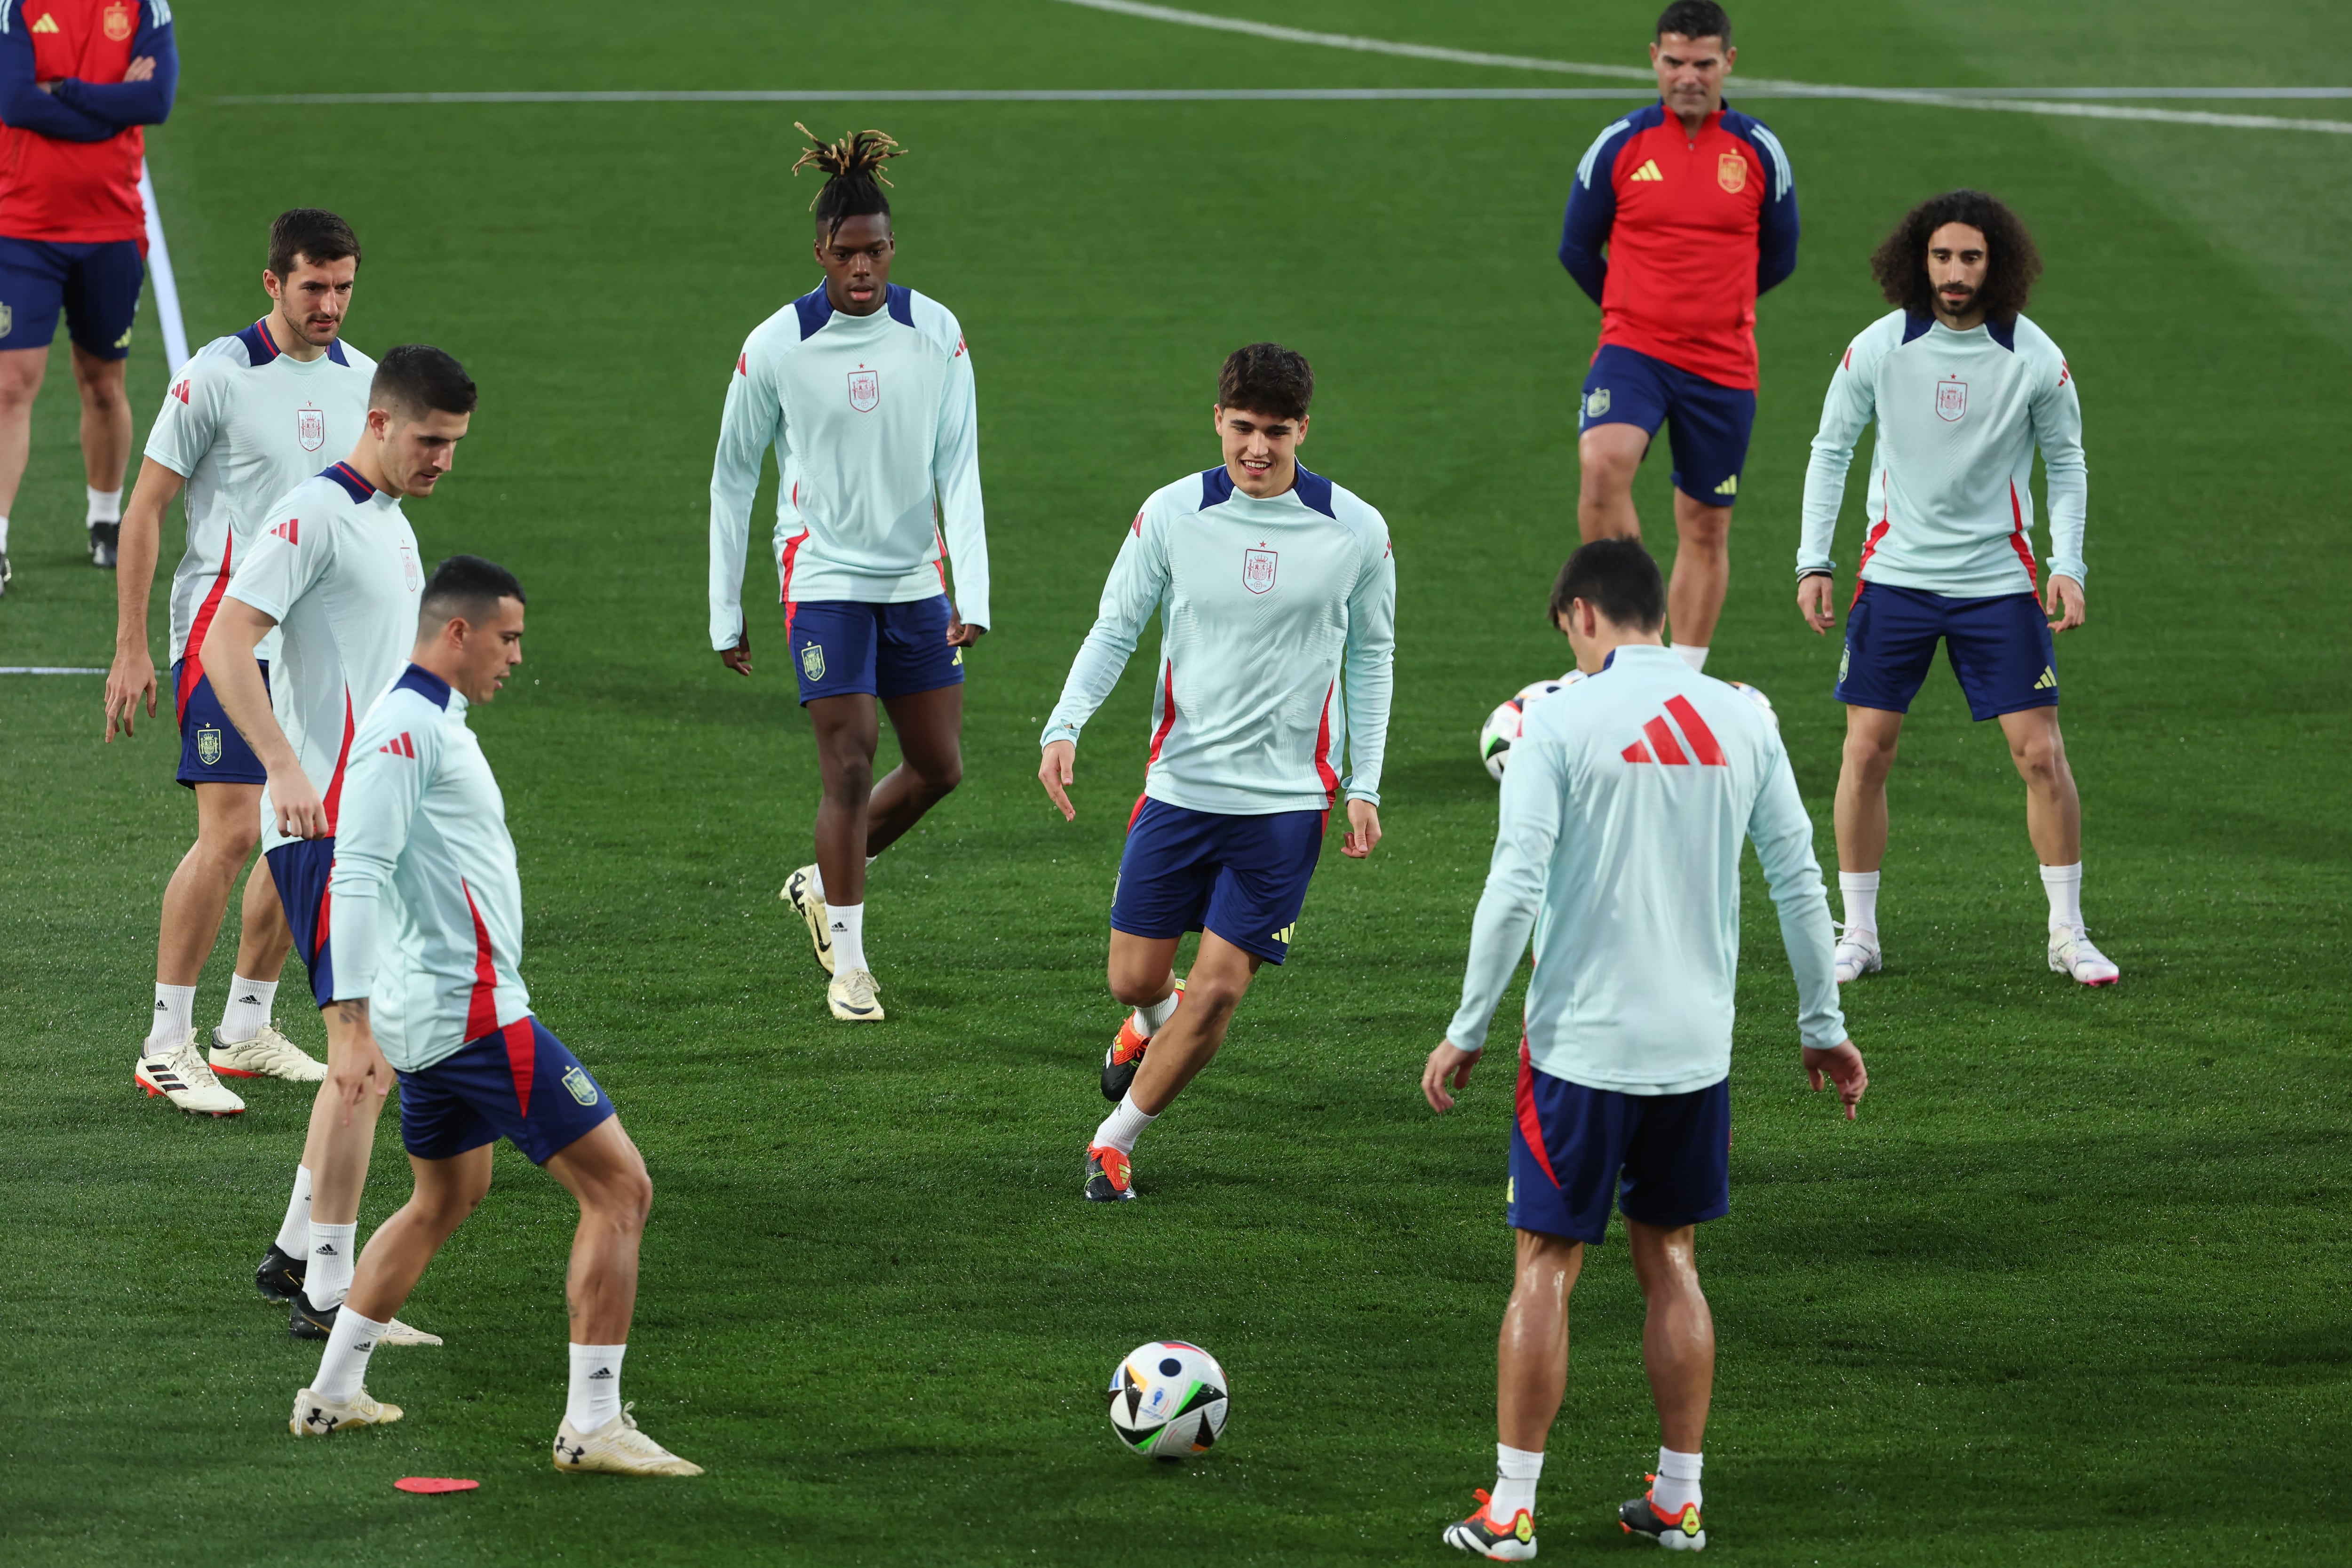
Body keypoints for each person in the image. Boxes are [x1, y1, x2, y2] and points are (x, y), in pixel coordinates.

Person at [1423, 539, 1865, 1560]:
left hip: (1579, 1048)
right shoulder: (1745, 714)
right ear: (1655, 612)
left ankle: (1512, 1507)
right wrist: (1822, 1026)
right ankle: (1677, 1497)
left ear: (1580, 615)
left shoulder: (1558, 717)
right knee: (1671, 1259)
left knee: (1545, 1264)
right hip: (1694, 1052)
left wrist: (1468, 1025)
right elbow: (1800, 881)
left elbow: (1514, 886)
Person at [288, 555, 700, 1477]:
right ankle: (591, 1421)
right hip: (473, 1019)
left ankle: (335, 1389)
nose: (517, 655)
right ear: (458, 632)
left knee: (444, 1198)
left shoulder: (436, 718)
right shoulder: (404, 728)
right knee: (621, 1189)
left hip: (438, 1018)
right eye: (508, 637)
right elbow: (356, 871)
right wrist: (348, 1021)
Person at [1040, 342, 1395, 1204]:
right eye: (1243, 428)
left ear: (1304, 427)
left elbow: (1374, 657)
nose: (1259, 448)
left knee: (1223, 986)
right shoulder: (1171, 513)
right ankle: (1149, 1024)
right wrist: (1065, 723)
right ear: (1219, 420)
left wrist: (1364, 782)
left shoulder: (1358, 530)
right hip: (1181, 788)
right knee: (1135, 975)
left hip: (1284, 805)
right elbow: (1115, 625)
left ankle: (1114, 1142)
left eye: (1277, 431)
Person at [203, 344, 470, 1340]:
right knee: (361, 1057)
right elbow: (228, 638)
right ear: (381, 421)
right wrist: (280, 765)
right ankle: (330, 1289)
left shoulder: (388, 523)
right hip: (324, 831)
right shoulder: (315, 513)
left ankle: (294, 1249)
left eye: (454, 445)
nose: (443, 460)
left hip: (375, 827)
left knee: (378, 1053)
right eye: (431, 441)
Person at [1795, 189, 2117, 988]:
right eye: (1942, 256)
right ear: (1919, 259)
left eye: (1970, 257)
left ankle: (2068, 933)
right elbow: (1831, 448)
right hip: (1895, 580)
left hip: (1997, 585)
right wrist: (1814, 561)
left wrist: (2066, 562)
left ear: (1994, 264)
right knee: (1866, 751)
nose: (1955, 272)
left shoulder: (2036, 357)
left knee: (2041, 753)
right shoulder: (1877, 346)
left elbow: (2067, 463)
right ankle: (1859, 932)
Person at [708, 124, 988, 1025]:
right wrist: (728, 608)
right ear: (820, 250)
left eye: (875, 251)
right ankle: (852, 966)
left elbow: (962, 466)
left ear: (891, 248)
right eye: (845, 252)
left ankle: (822, 881)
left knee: (940, 767)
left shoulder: (936, 332)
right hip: (822, 576)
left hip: (916, 579)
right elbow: (733, 473)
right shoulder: (775, 346)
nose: (861, 267)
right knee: (850, 762)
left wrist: (971, 592)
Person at [109, 209, 373, 1114]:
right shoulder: (215, 376)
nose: (330, 303)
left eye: (343, 287)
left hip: (315, 649)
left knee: (298, 827)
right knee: (228, 834)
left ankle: (245, 1028)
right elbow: (144, 510)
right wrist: (133, 644)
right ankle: (164, 1042)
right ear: (274, 283)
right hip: (224, 637)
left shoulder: (367, 384)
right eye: (314, 287)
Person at [1558, 0, 1796, 671]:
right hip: (1634, 350)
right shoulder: (1621, 144)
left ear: (1728, 63)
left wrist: (1718, 308)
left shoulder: (1757, 150)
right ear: (1653, 61)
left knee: (1706, 522)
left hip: (1722, 362)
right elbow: (1577, 249)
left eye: (1702, 63)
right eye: (1673, 62)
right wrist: (1632, 312)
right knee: (1602, 466)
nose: (1687, 76)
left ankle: (1681, 677)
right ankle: (1624, 652)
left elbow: (1781, 254)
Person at [0, 0, 177, 589]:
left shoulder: (145, 8)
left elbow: (155, 102)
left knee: (103, 383)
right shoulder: (17, 7)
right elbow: (16, 101)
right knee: (10, 385)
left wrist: (66, 90)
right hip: (22, 228)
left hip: (111, 231)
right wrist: (110, 108)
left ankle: (105, 521)